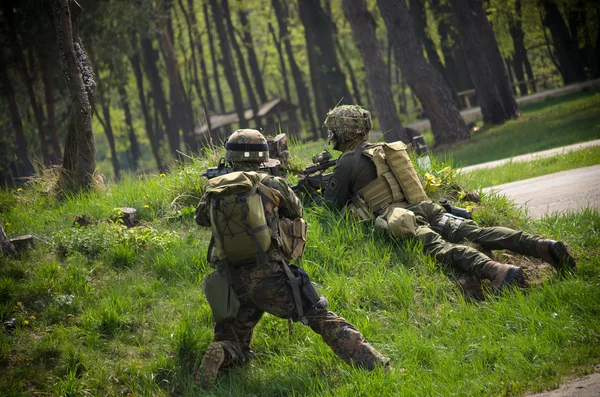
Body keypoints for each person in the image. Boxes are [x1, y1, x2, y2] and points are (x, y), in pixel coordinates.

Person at [194, 129, 389, 389]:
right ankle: (376, 364)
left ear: (229, 155)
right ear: (262, 155)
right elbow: (296, 209)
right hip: (270, 277)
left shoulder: (214, 187)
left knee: (235, 340)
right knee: (320, 316)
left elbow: (201, 219)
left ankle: (222, 352)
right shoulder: (270, 183)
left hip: (230, 282)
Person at [321, 105, 576, 294]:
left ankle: (497, 272)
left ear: (343, 133)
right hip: (426, 207)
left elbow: (329, 206)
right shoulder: (384, 149)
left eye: (333, 130)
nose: (330, 135)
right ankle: (542, 245)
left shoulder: (347, 164)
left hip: (404, 219)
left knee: (440, 248)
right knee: (477, 232)